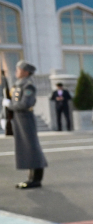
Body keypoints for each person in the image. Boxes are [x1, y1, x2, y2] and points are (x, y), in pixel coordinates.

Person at [3, 60, 47, 188]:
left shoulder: (28, 86)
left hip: (26, 119)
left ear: (26, 72)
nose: (16, 71)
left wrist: (10, 105)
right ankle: (31, 177)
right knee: (26, 149)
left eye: (19, 69)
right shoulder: (19, 85)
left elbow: (25, 103)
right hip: (19, 119)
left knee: (32, 148)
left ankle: (36, 178)